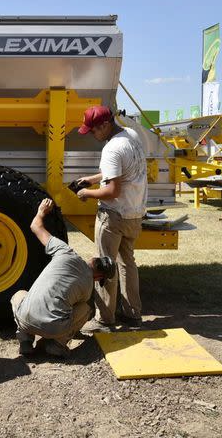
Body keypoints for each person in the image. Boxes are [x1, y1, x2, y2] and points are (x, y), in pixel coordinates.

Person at [10, 198, 116, 358]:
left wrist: (41, 212)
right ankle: (57, 344)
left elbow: (35, 226)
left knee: (18, 295)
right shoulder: (87, 288)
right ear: (99, 275)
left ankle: (25, 339)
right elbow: (71, 310)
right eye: (98, 280)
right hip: (53, 329)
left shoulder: (64, 251)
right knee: (85, 309)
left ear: (93, 260)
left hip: (26, 319)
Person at [75, 105, 148, 331]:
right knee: (127, 263)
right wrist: (94, 178)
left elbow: (112, 191)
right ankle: (133, 314)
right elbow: (122, 173)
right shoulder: (131, 136)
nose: (93, 136)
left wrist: (86, 193)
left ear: (105, 125)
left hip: (113, 215)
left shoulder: (111, 150)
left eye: (94, 130)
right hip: (134, 213)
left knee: (105, 265)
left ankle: (105, 319)